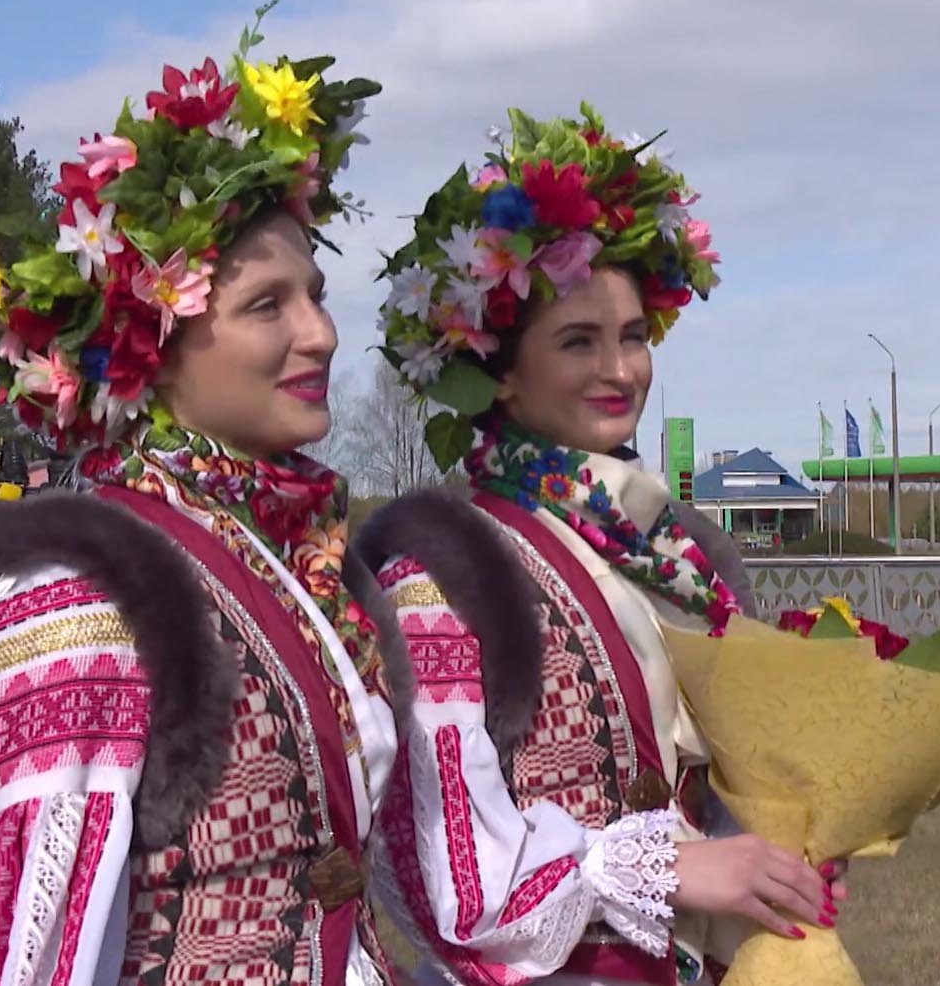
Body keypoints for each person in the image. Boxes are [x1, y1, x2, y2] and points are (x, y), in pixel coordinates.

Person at [0, 15, 404, 986]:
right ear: (156, 344)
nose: (318, 334)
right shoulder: (88, 592)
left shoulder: (284, 554)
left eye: (315, 294)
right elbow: (26, 955)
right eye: (267, 305)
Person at [356, 108, 840, 986]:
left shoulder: (670, 555)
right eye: (578, 341)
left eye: (632, 338)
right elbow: (449, 876)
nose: (620, 372)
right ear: (497, 366)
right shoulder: (443, 574)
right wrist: (665, 866)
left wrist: (787, 840)